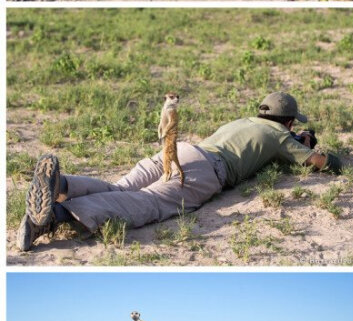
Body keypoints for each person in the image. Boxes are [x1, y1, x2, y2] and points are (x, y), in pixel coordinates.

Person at [17, 93, 320, 252]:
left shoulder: (245, 121)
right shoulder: (280, 136)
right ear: (290, 123)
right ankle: (55, 216)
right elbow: (319, 162)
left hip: (183, 149)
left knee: (120, 188)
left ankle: (62, 183)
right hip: (207, 171)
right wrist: (307, 145)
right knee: (147, 203)